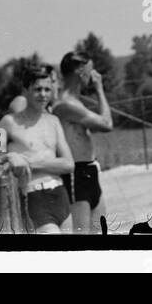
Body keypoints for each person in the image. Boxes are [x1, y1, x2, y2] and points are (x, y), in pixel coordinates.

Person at [0, 64, 74, 235]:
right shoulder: (8, 123)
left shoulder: (54, 121)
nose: (43, 95)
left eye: (47, 89)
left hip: (60, 196)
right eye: (37, 89)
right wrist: (6, 158)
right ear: (26, 90)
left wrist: (31, 163)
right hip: (35, 199)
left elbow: (69, 164)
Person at [52, 50, 113, 235]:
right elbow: (107, 124)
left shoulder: (76, 103)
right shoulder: (66, 105)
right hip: (76, 175)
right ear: (79, 70)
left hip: (90, 171)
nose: (94, 76)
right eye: (90, 70)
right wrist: (100, 89)